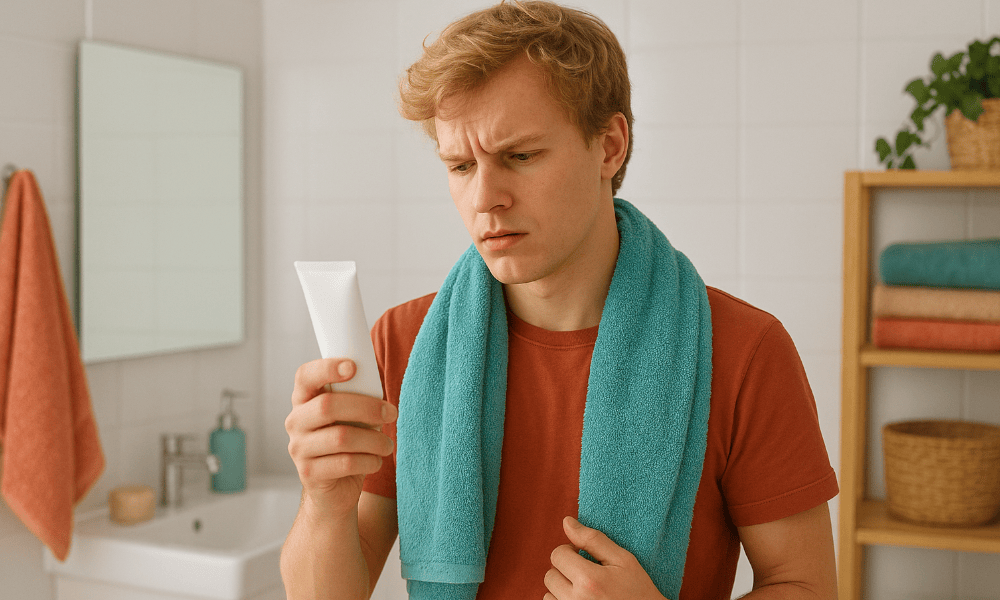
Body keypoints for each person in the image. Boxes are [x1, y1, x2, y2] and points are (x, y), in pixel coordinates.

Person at [280, 2, 839, 599]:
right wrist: (323, 502)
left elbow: (806, 586)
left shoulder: (742, 351)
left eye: (520, 156)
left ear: (609, 146)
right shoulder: (404, 343)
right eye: (460, 165)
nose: (484, 197)